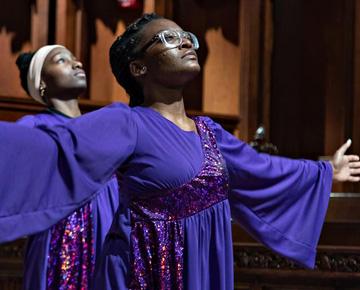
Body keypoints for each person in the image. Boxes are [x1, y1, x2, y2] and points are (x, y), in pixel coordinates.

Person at [0, 13, 360, 290]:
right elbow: (55, 149)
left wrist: (325, 169)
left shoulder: (210, 132)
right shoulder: (128, 122)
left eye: (186, 37)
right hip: (145, 272)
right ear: (139, 68)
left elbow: (264, 169)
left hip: (203, 268)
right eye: (168, 38)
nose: (186, 43)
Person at [14, 45, 120, 290]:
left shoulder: (103, 128)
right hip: (64, 237)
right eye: (62, 60)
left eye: (75, 58)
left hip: (110, 235)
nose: (77, 63)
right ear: (41, 82)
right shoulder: (33, 126)